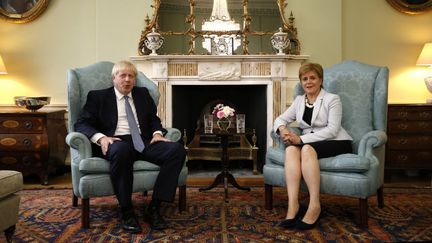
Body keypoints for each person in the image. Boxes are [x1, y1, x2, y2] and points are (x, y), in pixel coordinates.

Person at [74, 60, 186, 233]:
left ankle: (155, 207)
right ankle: (126, 211)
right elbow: (81, 124)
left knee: (176, 150)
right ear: (114, 78)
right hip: (115, 141)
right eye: (123, 75)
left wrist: (157, 134)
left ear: (135, 79)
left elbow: (153, 119)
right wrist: (101, 138)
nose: (127, 80)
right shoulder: (98, 97)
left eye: (131, 76)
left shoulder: (142, 94)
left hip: (143, 141)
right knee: (122, 151)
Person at [273, 62, 353, 230]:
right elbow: (280, 119)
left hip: (338, 142)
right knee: (291, 150)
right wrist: (283, 131)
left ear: (320, 80)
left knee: (306, 149)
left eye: (312, 78)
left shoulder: (332, 99)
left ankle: (314, 204)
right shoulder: (299, 101)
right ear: (301, 82)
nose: (308, 82)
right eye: (304, 79)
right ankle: (293, 205)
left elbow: (332, 130)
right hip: (312, 141)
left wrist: (301, 140)